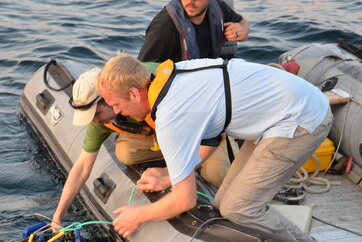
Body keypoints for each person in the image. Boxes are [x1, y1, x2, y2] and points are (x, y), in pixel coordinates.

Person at [96, 54, 333, 242]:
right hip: (279, 114)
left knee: (239, 208)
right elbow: (211, 139)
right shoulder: (174, 77)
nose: (116, 112)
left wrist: (137, 215)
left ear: (134, 94)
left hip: (301, 119)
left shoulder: (170, 116)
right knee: (223, 205)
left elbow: (184, 201)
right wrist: (170, 176)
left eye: (116, 104)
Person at [50, 67, 229, 231]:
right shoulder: (101, 121)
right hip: (161, 135)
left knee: (216, 172)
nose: (95, 121)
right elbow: (82, 167)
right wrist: (58, 216)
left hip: (200, 132)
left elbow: (209, 134)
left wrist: (169, 175)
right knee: (126, 152)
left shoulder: (154, 93)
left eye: (97, 114)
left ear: (110, 99)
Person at [137, 0, 250, 64]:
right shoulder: (164, 27)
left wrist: (242, 30)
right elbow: (142, 69)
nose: (190, 2)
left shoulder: (219, 9)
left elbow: (242, 22)